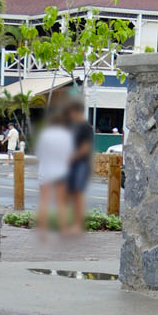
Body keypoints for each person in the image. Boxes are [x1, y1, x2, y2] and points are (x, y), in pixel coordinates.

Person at [34, 105, 73, 233]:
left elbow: (39, 153)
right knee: (61, 202)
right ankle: (63, 228)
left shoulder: (44, 136)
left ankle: (42, 229)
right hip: (60, 172)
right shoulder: (67, 136)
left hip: (45, 171)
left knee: (44, 201)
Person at [65, 99, 94, 235]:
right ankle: (72, 224)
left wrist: (71, 157)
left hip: (81, 164)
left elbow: (85, 148)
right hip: (73, 164)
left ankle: (78, 225)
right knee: (71, 194)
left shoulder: (85, 127)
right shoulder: (73, 127)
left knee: (78, 194)